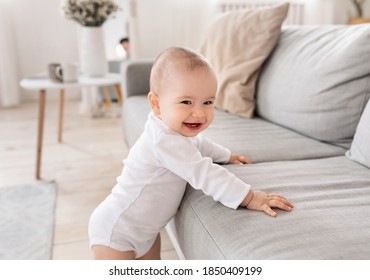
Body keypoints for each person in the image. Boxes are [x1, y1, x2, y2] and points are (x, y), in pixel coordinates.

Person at [88, 47, 294, 260]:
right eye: (186, 102)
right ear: (156, 104)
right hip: (116, 233)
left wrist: (227, 155)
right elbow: (204, 172)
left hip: (146, 233)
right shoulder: (163, 140)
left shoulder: (174, 132)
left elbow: (200, 144)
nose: (199, 113)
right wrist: (249, 197)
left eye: (208, 102)